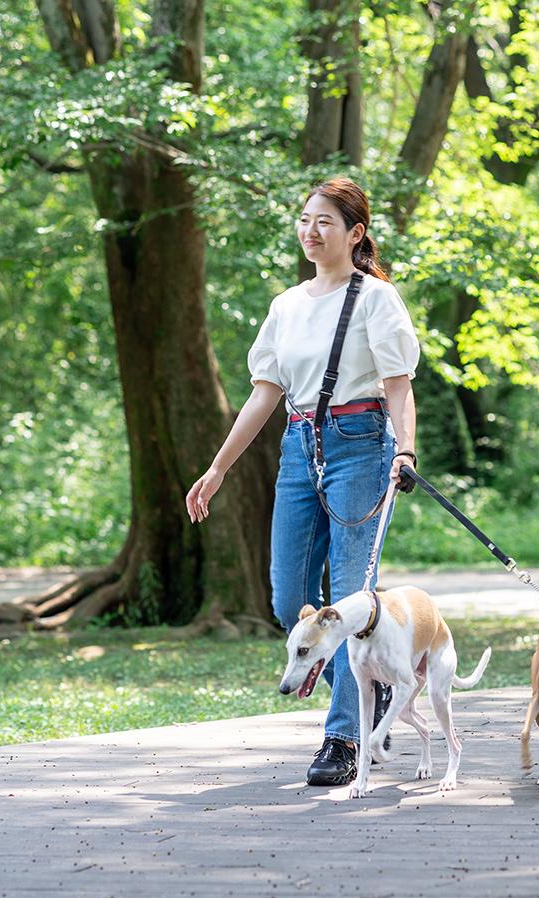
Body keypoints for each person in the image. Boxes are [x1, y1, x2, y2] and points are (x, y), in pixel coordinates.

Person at [185, 176, 420, 786]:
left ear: (355, 233)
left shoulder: (375, 299)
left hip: (364, 446)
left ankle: (345, 740)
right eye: (305, 220)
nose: (310, 232)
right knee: (290, 599)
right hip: (299, 447)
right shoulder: (286, 305)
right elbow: (265, 393)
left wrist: (406, 451)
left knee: (347, 600)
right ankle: (377, 691)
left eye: (325, 222)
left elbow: (397, 384)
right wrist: (217, 469)